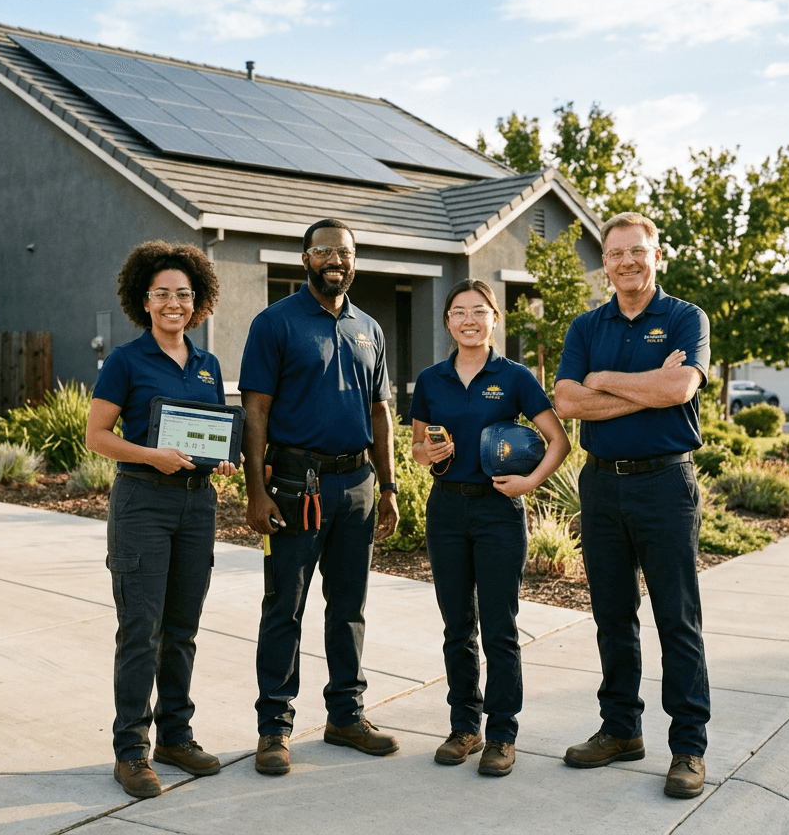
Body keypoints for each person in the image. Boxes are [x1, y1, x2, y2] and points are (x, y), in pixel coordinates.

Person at [553, 211, 712, 799]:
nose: (625, 262)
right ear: (604, 263)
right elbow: (567, 402)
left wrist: (604, 381)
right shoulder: (586, 326)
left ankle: (688, 747)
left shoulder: (684, 318)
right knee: (612, 615)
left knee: (677, 616)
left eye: (636, 251)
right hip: (601, 486)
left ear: (656, 254)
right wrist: (642, 385)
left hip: (665, 486)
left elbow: (679, 389)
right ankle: (621, 729)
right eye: (615, 253)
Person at [240, 218, 400, 776]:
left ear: (355, 261)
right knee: (284, 605)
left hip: (356, 485)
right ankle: (274, 728)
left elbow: (380, 412)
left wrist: (389, 485)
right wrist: (255, 491)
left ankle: (346, 716)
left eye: (346, 253)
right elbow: (255, 410)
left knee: (349, 607)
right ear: (306, 258)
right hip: (294, 486)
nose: (337, 260)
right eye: (326, 251)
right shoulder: (274, 323)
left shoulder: (369, 329)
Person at [86, 240, 237, 799]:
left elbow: (211, 431)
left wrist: (219, 458)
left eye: (184, 294)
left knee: (182, 630)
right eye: (163, 294)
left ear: (198, 302)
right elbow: (97, 436)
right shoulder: (126, 361)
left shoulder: (207, 364)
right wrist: (153, 455)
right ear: (144, 300)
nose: (174, 303)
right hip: (143, 503)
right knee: (140, 632)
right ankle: (132, 751)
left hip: (197, 504)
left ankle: (177, 735)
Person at [410, 279, 569, 777]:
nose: (469, 320)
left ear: (494, 319)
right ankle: (464, 726)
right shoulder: (431, 379)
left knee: (499, 626)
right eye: (459, 312)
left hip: (499, 512)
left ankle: (502, 733)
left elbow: (558, 441)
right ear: (448, 322)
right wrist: (427, 453)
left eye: (479, 311)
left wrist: (529, 483)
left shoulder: (515, 376)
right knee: (457, 625)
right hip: (447, 510)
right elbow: (417, 447)